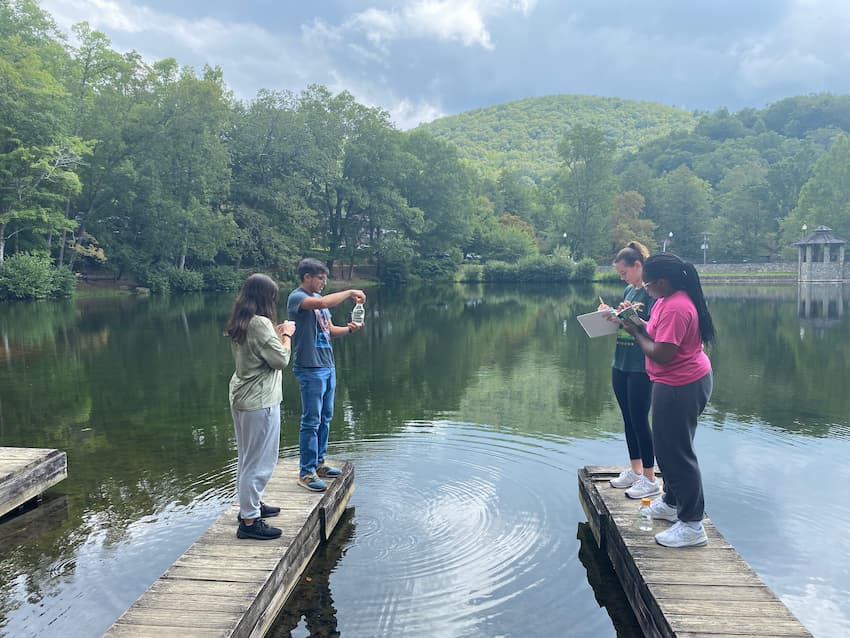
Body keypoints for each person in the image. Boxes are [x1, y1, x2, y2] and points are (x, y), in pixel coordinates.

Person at [621, 253, 715, 548]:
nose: (645, 289)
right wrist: (638, 321)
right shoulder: (666, 300)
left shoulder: (678, 307)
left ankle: (692, 524)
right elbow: (657, 331)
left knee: (677, 454)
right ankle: (672, 502)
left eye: (648, 285)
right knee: (667, 449)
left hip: (682, 385)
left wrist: (635, 332)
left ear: (662, 282)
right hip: (672, 382)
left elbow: (662, 353)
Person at [226, 273, 296, 540]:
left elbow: (257, 351)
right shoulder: (261, 322)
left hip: (243, 397)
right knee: (260, 462)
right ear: (266, 298)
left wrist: (275, 335)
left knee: (247, 458)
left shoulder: (242, 321)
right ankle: (250, 521)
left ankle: (250, 506)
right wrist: (287, 335)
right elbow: (280, 360)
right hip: (260, 401)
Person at [287, 258, 365, 492]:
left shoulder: (321, 303)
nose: (324, 282)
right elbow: (320, 304)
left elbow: (329, 331)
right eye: (320, 278)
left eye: (325, 278)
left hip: (327, 366)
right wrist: (350, 290)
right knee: (311, 421)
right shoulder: (298, 298)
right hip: (309, 368)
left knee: (325, 418)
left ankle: (319, 463)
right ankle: (306, 472)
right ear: (306, 277)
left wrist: (351, 329)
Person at [601, 241, 659, 499]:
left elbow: (655, 330)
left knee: (639, 419)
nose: (622, 277)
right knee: (627, 418)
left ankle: (650, 476)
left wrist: (628, 319)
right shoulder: (629, 291)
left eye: (624, 272)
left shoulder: (651, 292)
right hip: (621, 361)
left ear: (638, 266)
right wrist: (613, 317)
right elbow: (627, 325)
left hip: (640, 365)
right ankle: (635, 471)